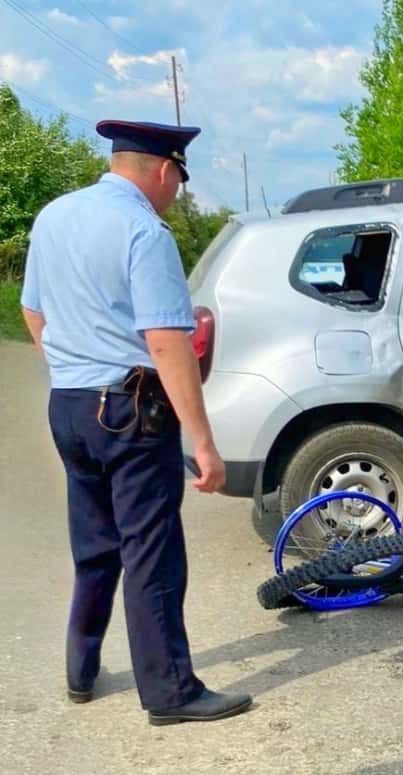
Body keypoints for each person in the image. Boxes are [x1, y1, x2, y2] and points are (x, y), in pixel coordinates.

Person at [20, 119, 252, 725]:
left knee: (95, 545)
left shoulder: (54, 216)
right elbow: (167, 341)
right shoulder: (145, 232)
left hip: (70, 404)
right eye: (179, 181)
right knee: (152, 552)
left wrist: (70, 368)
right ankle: (170, 693)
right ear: (166, 170)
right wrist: (203, 443)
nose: (176, 193)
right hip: (129, 411)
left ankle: (81, 669)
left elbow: (32, 310)